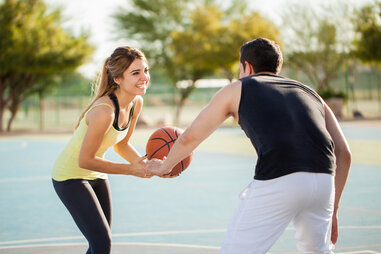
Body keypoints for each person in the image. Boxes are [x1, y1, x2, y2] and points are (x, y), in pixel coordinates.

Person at [147, 38, 351, 253]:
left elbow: (190, 137)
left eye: (239, 69)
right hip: (324, 181)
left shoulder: (239, 88)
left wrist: (164, 166)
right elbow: (344, 153)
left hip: (280, 176)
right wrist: (333, 208)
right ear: (276, 67)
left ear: (247, 67)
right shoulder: (311, 94)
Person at [52, 46, 152, 254]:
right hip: (69, 177)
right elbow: (85, 160)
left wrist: (147, 165)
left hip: (96, 173)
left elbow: (121, 144)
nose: (144, 77)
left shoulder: (136, 103)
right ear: (118, 79)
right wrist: (130, 170)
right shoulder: (104, 112)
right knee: (102, 243)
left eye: (146, 70)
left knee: (99, 244)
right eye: (136, 73)